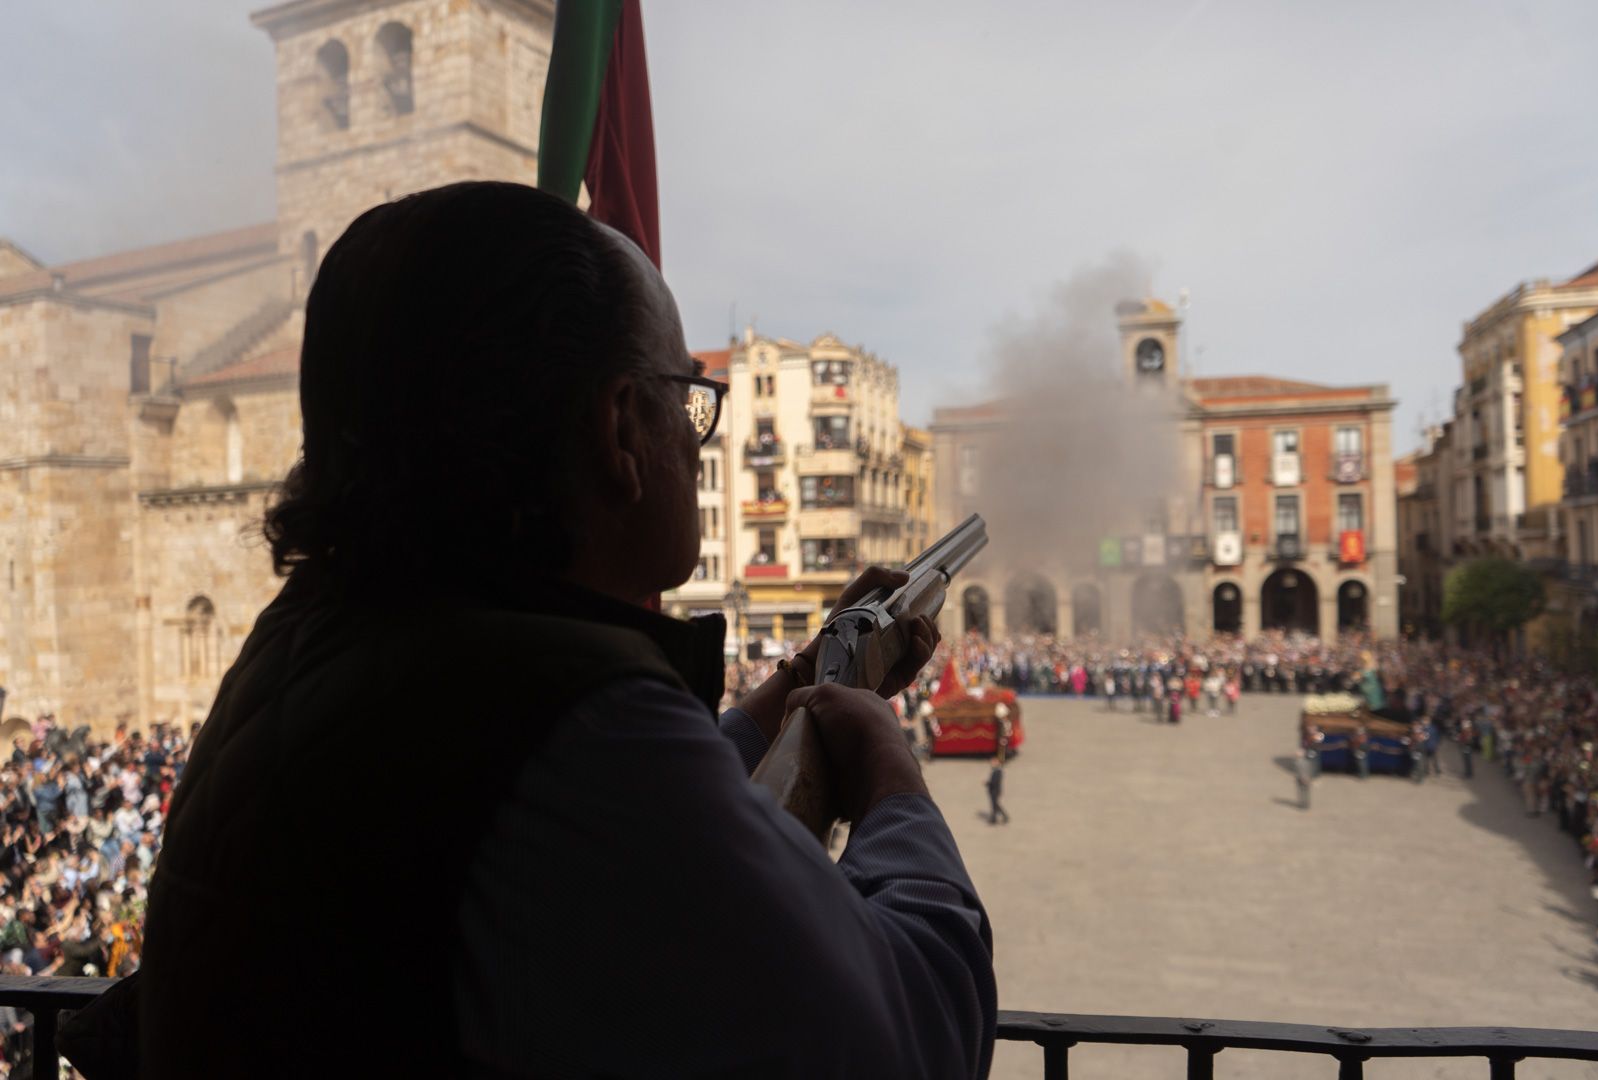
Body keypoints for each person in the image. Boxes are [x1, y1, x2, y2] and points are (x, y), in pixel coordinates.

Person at [116, 184, 995, 1078]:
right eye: (687, 399)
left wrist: (802, 681)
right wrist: (891, 775)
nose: (698, 442)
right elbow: (915, 1032)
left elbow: (638, 841)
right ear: (619, 426)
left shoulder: (339, 642)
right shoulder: (568, 718)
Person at [986, 755, 1009, 825]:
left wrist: (988, 783)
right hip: (993, 790)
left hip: (995, 791)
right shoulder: (995, 771)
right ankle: (997, 818)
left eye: (993, 762)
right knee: (995, 805)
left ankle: (996, 818)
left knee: (995, 805)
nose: (991, 764)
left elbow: (995, 782)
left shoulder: (998, 771)